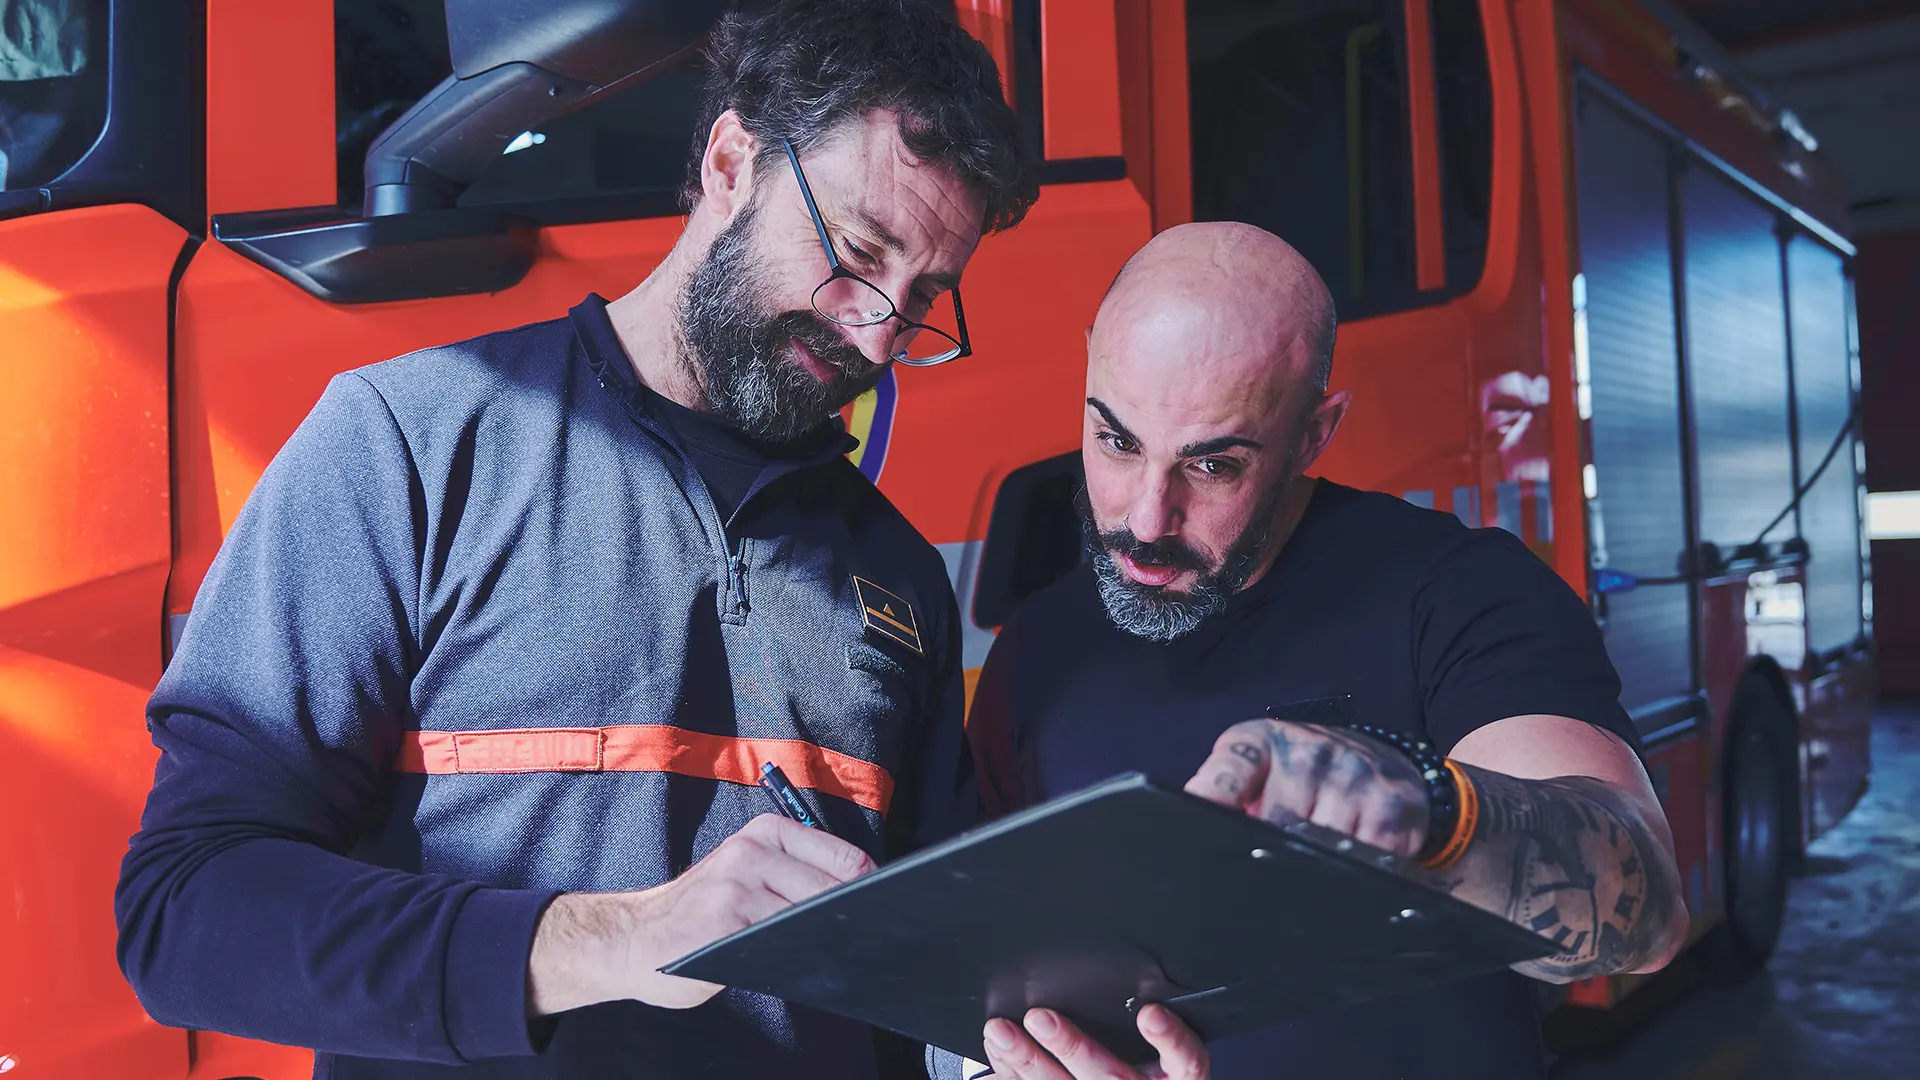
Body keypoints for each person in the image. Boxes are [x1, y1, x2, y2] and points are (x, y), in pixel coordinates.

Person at [111, 3, 1088, 1078]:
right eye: (857, 252)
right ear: (730, 161)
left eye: (925, 298)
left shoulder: (897, 575)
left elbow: (925, 995)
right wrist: (614, 940)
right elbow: (185, 912)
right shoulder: (412, 445)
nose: (876, 332)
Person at [957, 222, 1689, 1080]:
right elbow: (989, 973)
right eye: (1116, 442)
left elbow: (1647, 920)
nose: (1146, 520)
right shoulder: (1038, 647)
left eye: (1213, 465)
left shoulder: (1456, 593)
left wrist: (1431, 813)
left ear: (1314, 431)